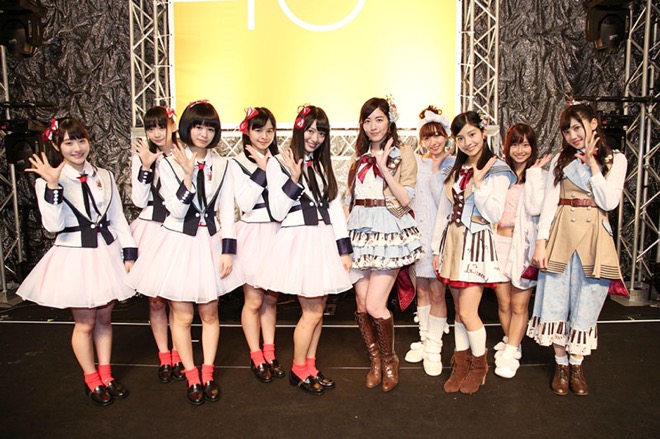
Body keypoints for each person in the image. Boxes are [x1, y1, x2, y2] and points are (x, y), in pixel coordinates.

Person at [17, 117, 136, 406]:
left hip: (106, 253)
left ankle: (106, 374)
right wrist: (52, 185)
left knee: (105, 318)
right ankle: (91, 378)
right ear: (58, 147)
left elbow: (117, 218)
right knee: (85, 323)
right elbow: (52, 226)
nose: (77, 148)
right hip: (75, 255)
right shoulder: (47, 181)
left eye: (81, 140)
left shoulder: (104, 175)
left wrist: (129, 252)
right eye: (69, 142)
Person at [128, 100, 240, 405]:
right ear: (187, 127)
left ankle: (208, 373)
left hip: (210, 242)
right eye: (198, 126)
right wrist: (188, 178)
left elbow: (227, 209)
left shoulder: (224, 164)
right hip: (178, 242)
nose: (204, 133)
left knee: (210, 313)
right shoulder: (168, 163)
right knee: (182, 315)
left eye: (210, 127)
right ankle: (191, 375)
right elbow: (175, 211)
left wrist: (228, 250)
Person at [527, 102, 627, 396]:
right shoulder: (561, 160)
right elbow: (549, 203)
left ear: (594, 124)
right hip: (560, 235)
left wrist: (593, 165)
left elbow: (609, 202)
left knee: (588, 301)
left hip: (594, 237)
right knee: (554, 300)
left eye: (577, 127)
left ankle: (576, 364)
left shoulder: (615, 159)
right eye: (566, 130)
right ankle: (560, 364)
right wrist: (541, 242)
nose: (572, 135)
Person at [254, 105, 353, 396]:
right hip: (299, 240)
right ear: (299, 129)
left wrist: (343, 250)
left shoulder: (321, 164)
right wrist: (294, 180)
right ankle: (298, 369)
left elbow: (334, 209)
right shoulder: (278, 162)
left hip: (323, 240)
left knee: (318, 311)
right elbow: (277, 210)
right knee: (311, 311)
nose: (315, 138)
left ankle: (310, 366)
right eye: (310, 130)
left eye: (321, 133)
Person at [431, 111, 515, 395]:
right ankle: (461, 363)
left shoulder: (497, 169)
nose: (467, 142)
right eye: (461, 137)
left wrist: (478, 185)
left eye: (472, 134)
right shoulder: (456, 168)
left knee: (468, 312)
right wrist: (436, 249)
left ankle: (480, 365)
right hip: (453, 244)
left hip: (476, 245)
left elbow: (494, 214)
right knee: (459, 312)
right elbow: (444, 211)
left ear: (483, 133)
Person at [346, 96, 423, 392]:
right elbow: (350, 199)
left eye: (379, 119)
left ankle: (390, 360)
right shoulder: (358, 157)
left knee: (376, 305)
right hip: (359, 232)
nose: (373, 126)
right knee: (361, 305)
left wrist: (384, 167)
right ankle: (375, 361)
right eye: (367, 120)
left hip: (388, 231)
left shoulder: (404, 153)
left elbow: (405, 199)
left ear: (390, 121)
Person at [229, 107, 285, 383]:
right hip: (252, 232)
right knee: (253, 300)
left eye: (269, 130)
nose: (264, 136)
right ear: (247, 132)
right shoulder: (236, 163)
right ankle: (255, 354)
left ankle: (270, 351)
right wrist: (262, 172)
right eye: (258, 129)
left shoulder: (280, 160)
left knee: (271, 299)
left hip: (277, 232)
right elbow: (245, 203)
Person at [491, 124, 551, 379]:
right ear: (508, 146)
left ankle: (512, 349)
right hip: (497, 244)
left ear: (532, 147)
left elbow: (537, 208)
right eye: (515, 144)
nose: (520, 150)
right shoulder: (499, 174)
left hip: (522, 248)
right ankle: (511, 343)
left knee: (519, 304)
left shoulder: (540, 176)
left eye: (525, 144)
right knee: (504, 303)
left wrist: (535, 174)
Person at [130, 106, 185, 383]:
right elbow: (138, 200)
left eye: (161, 126)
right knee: (155, 301)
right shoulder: (142, 156)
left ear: (172, 125)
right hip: (151, 229)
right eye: (150, 128)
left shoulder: (184, 152)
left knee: (177, 298)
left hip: (179, 229)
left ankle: (180, 352)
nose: (156, 133)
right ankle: (164, 355)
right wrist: (146, 166)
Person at [404, 106, 454, 376]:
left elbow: (444, 200)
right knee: (421, 291)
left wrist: (436, 168)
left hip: (440, 236)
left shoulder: (454, 163)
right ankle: (425, 340)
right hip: (417, 237)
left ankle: (434, 347)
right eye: (427, 137)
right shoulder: (416, 163)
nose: (433, 141)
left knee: (437, 292)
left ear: (446, 136)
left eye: (438, 135)